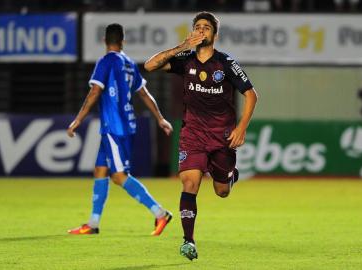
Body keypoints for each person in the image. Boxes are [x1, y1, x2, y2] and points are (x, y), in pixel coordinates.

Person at [144, 12, 258, 260]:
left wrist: (241, 128)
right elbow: (149, 65)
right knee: (190, 183)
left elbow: (251, 94)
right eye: (198, 27)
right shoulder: (185, 59)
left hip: (221, 136)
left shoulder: (226, 62)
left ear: (215, 34)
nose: (202, 31)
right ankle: (188, 241)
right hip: (192, 134)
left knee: (221, 192)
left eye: (207, 28)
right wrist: (183, 46)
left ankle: (229, 176)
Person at [67, 23, 173, 236]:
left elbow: (95, 91)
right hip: (120, 125)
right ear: (122, 41)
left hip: (116, 127)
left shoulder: (106, 61)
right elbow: (144, 94)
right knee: (100, 170)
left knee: (118, 176)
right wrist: (160, 118)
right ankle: (93, 223)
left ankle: (160, 212)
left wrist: (78, 119)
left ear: (104, 41)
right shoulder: (128, 63)